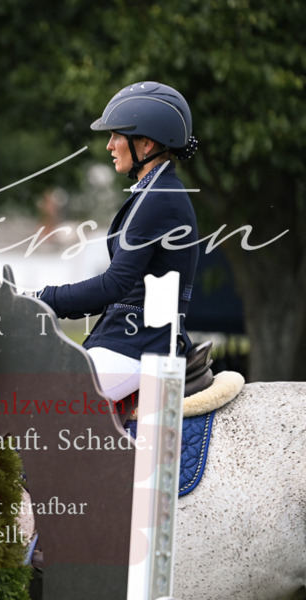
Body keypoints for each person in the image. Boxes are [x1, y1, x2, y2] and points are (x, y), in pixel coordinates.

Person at [35, 81, 200, 405]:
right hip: (129, 340)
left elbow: (114, 285)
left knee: (44, 406)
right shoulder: (154, 192)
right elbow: (120, 290)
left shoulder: (158, 198)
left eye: (116, 136)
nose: (109, 146)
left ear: (146, 144)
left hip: (140, 345)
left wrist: (44, 298)